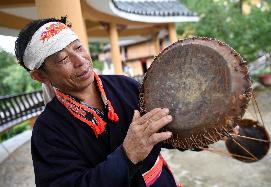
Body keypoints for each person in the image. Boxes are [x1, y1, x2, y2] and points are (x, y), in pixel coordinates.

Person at [15, 16, 180, 187]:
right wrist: (127, 155)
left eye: (78, 48)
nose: (80, 61)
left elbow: (166, 131)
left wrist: (196, 129)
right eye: (63, 59)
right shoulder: (47, 131)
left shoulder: (125, 85)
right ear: (40, 76)